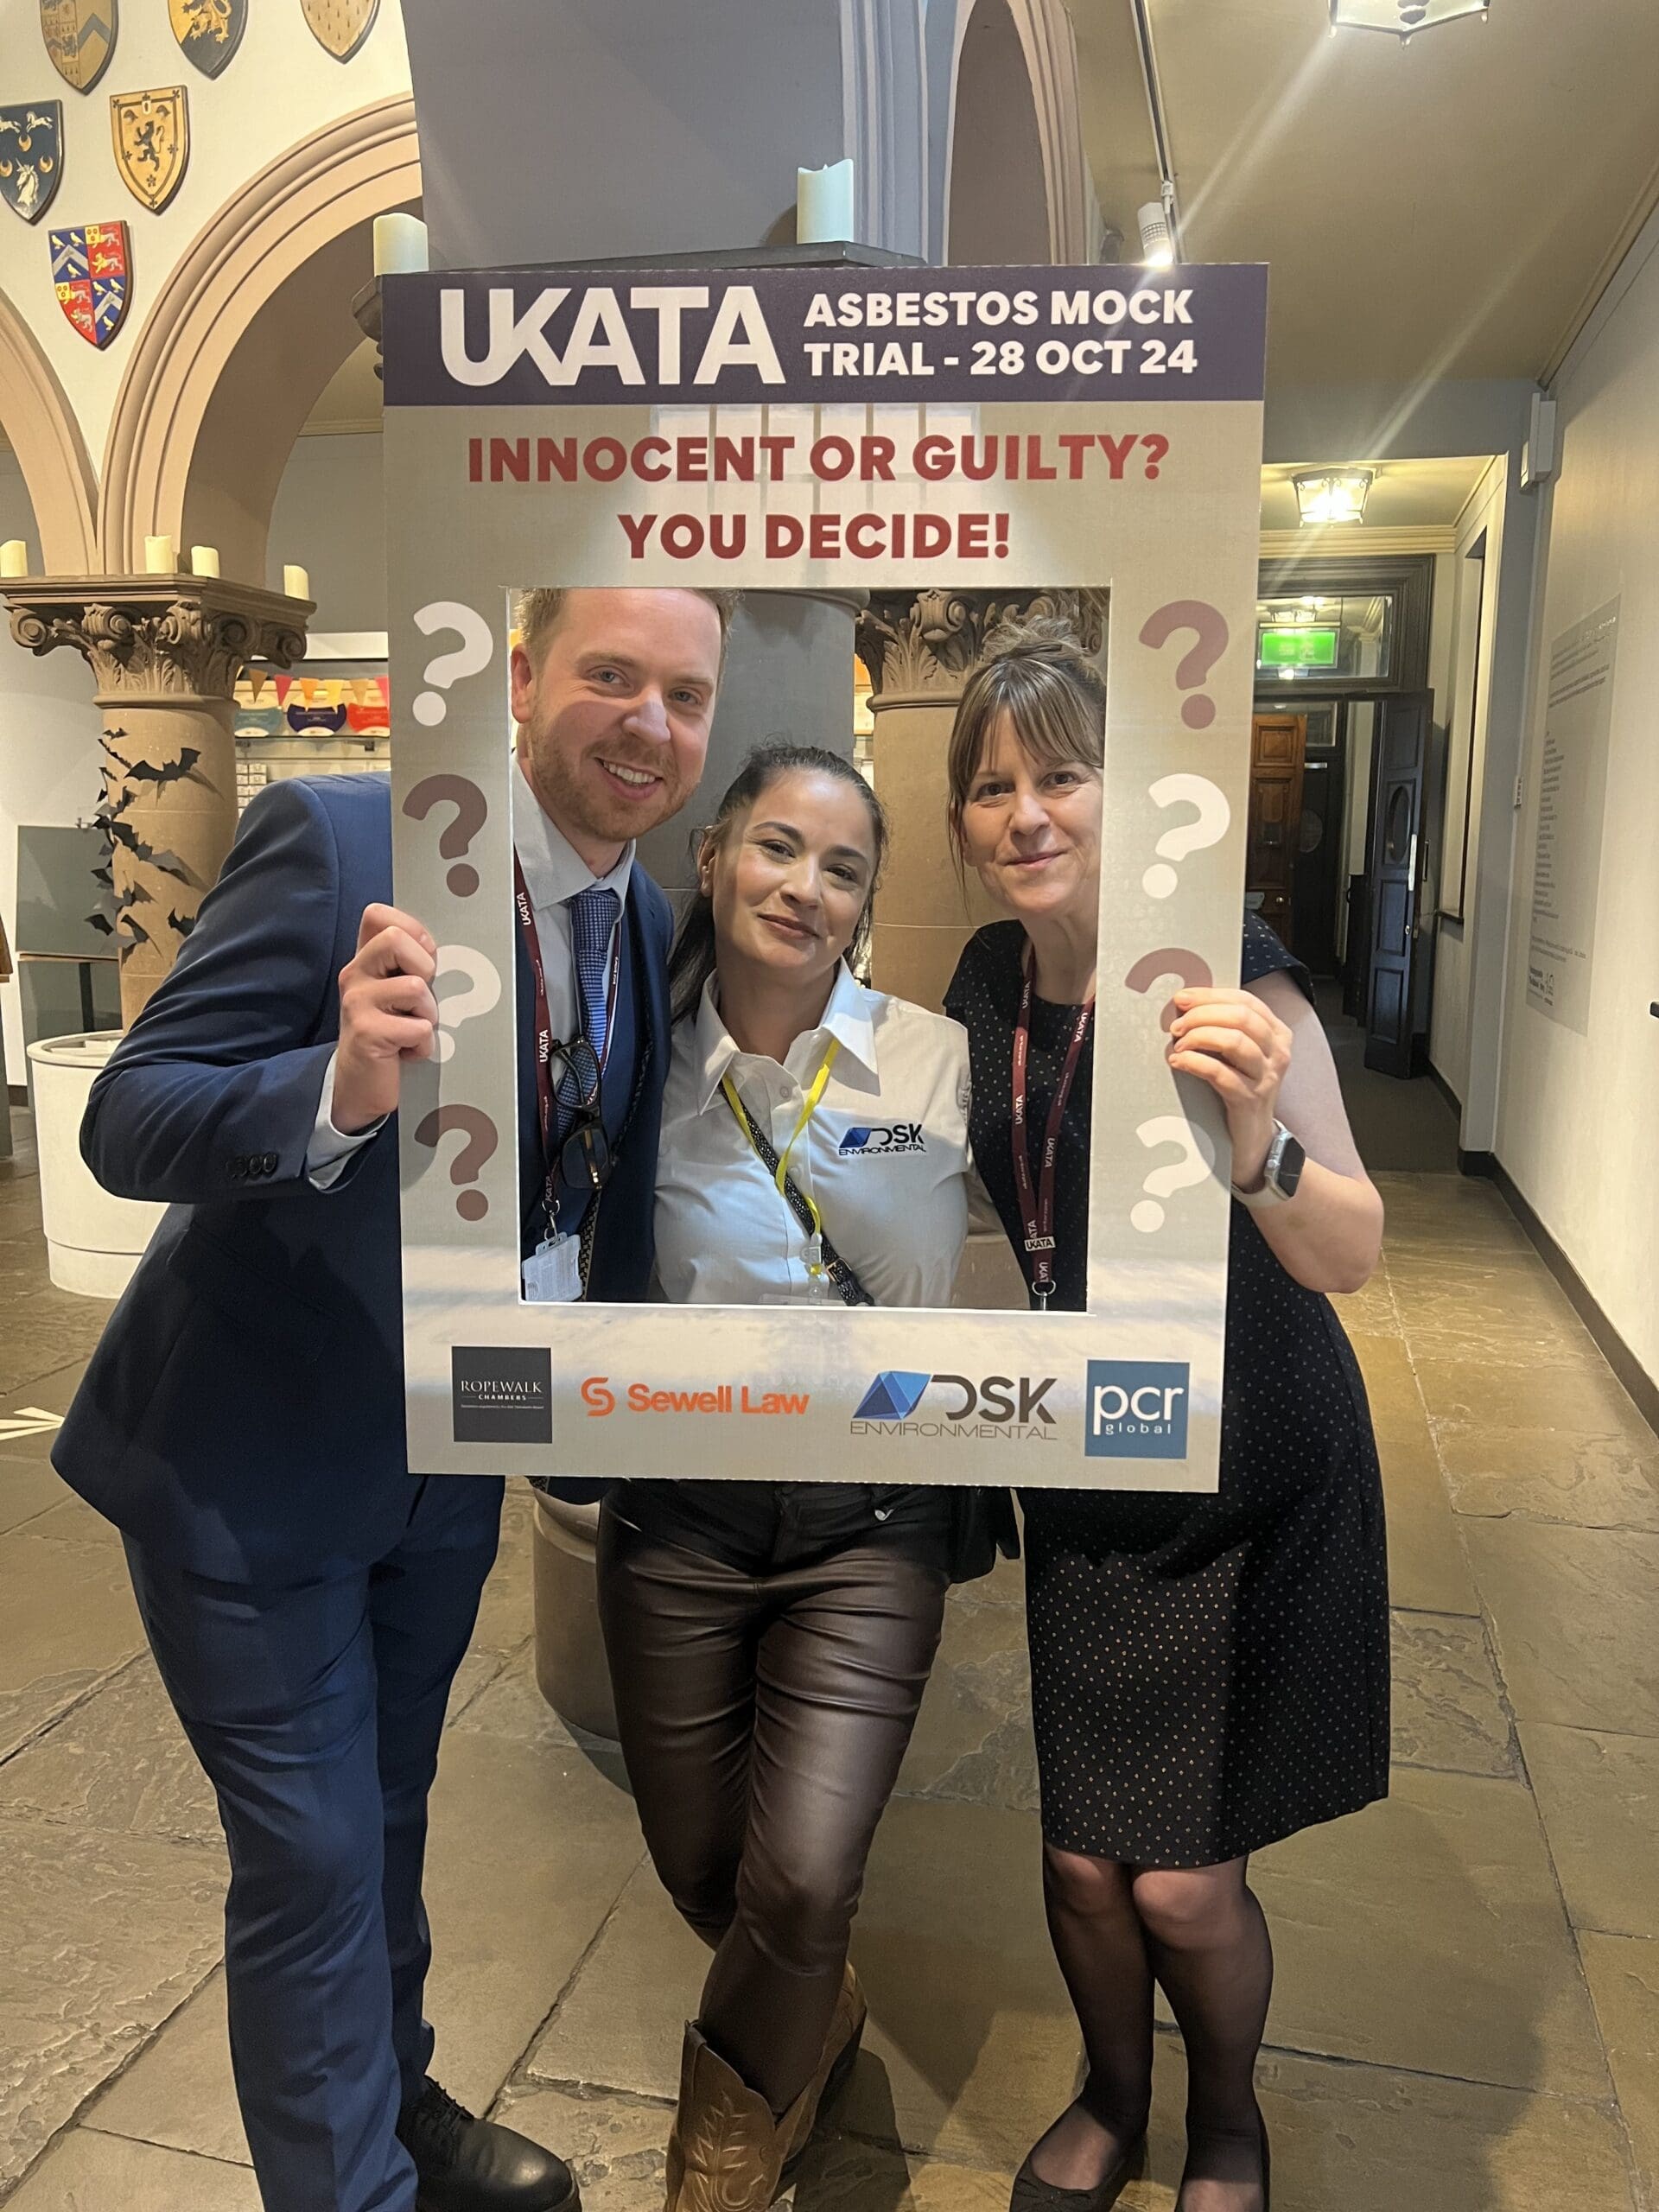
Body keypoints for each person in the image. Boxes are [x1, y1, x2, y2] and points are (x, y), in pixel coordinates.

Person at [53, 586, 736, 2212]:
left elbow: (600, 1191)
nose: (651, 724)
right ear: (523, 678)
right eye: (612, 674)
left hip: (449, 1463)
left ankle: (392, 2104)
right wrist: (336, 1087)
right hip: (248, 1461)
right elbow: (129, 1117)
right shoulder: (346, 841)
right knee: (312, 1859)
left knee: (390, 1815)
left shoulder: (648, 918)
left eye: (687, 693)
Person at [942, 622, 1389, 2212]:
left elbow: (1351, 1249)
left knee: (1188, 1888)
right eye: (992, 787)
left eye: (1063, 776)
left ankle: (1229, 2123)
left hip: (1254, 1467)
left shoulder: (1232, 978)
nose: (1027, 815)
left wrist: (1261, 1141)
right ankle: (1112, 2099)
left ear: (1128, 790)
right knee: (1083, 1862)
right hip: (1090, 1466)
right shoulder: (985, 981)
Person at [595, 742, 1009, 2212]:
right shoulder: (632, 1061)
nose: (805, 887)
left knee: (805, 1879)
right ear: (712, 857)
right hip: (679, 1517)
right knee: (704, 1870)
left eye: (843, 868)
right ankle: (815, 2012)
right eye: (778, 847)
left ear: (866, 901)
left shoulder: (935, 1059)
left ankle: (720, 2157)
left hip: (871, 1526)